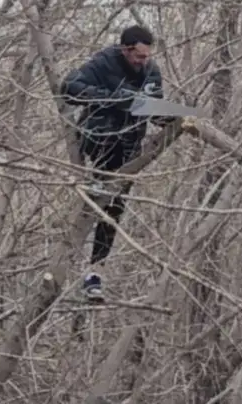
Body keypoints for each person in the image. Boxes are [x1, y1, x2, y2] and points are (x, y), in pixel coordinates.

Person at [60, 25, 169, 300]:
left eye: (146, 56)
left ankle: (95, 272)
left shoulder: (151, 72)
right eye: (138, 56)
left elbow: (155, 109)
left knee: (114, 210)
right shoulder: (104, 62)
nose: (142, 61)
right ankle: (68, 261)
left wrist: (172, 116)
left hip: (130, 148)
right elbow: (70, 88)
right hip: (100, 137)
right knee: (100, 195)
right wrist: (113, 99)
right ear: (125, 49)